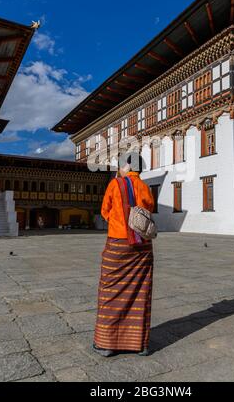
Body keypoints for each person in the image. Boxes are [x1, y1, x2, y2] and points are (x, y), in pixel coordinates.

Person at [93, 153, 155, 357]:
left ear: (127, 166)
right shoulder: (145, 187)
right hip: (142, 245)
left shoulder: (115, 184)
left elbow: (105, 210)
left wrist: (118, 221)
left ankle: (107, 343)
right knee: (141, 291)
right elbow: (149, 210)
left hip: (118, 243)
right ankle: (140, 344)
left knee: (110, 290)